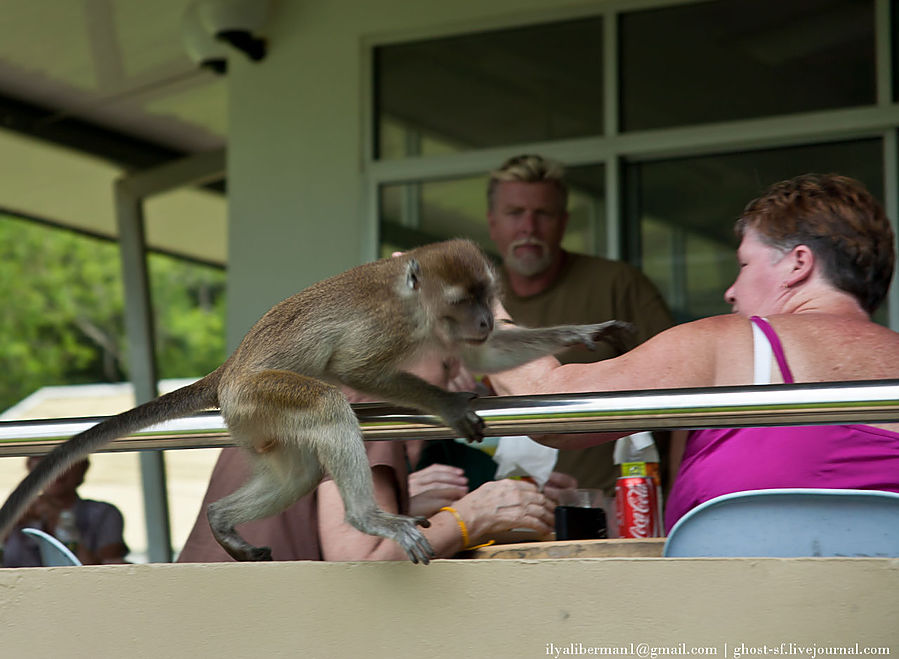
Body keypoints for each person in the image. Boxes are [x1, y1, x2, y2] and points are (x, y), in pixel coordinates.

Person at [488, 173, 899, 531]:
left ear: (798, 264)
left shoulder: (733, 342)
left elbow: (552, 411)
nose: (731, 291)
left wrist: (470, 304)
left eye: (743, 264)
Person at [178, 355, 575, 562]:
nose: (468, 380)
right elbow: (363, 561)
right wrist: (473, 515)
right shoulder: (366, 398)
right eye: (453, 353)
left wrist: (410, 507)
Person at [485, 154, 674, 493]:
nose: (529, 227)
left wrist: (677, 495)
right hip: (505, 511)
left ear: (563, 221)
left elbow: (681, 393)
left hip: (614, 510)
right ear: (491, 222)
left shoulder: (618, 284)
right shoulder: (470, 300)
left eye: (542, 213)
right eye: (515, 213)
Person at [2, 456, 129, 566]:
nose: (56, 468)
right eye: (42, 458)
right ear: (30, 466)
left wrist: (61, 522)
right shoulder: (17, 516)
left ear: (84, 467)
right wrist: (8, 523)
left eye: (68, 459)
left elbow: (106, 575)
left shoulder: (103, 514)